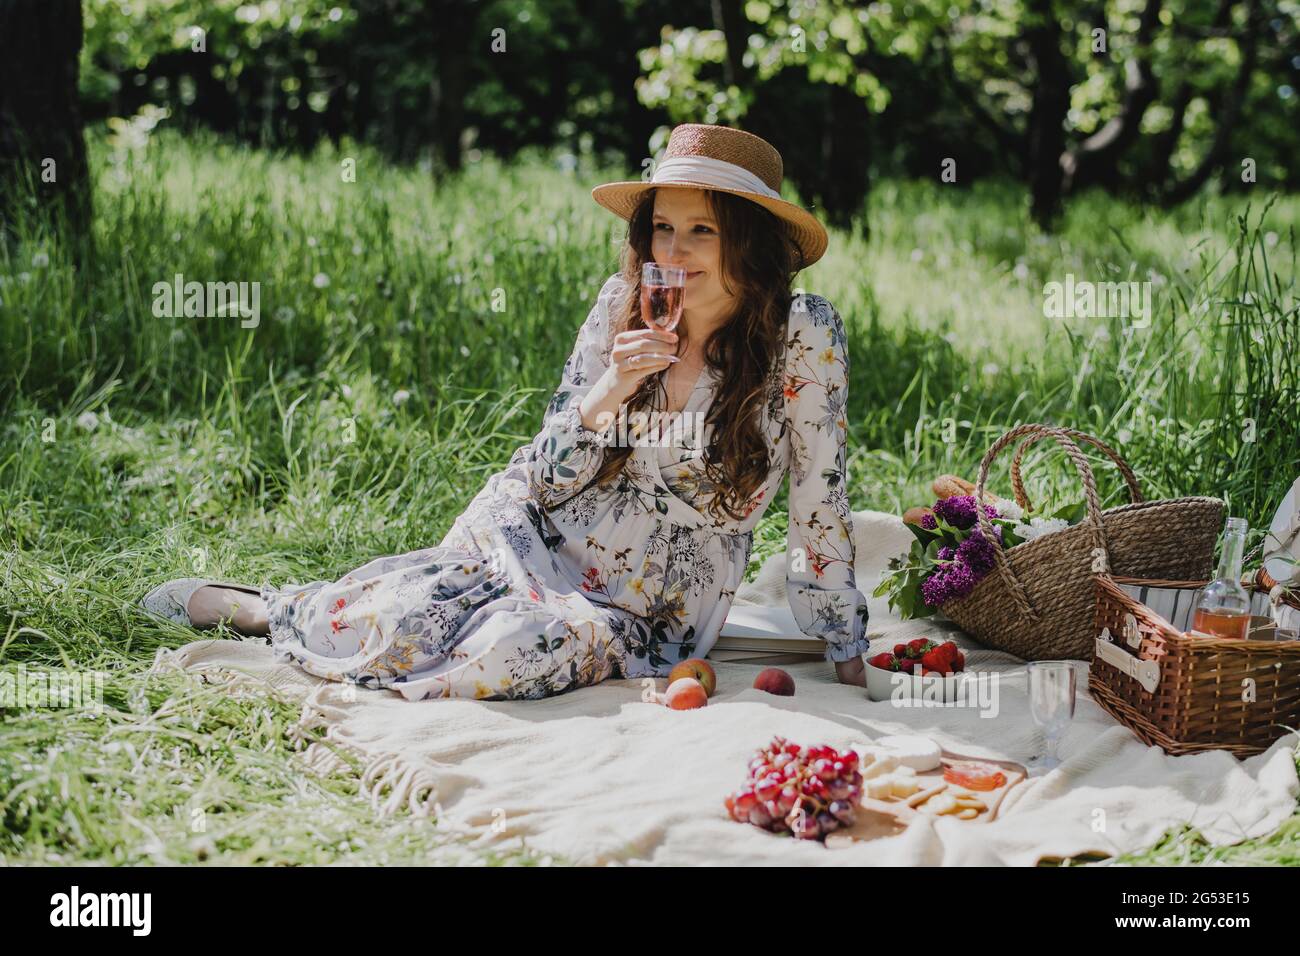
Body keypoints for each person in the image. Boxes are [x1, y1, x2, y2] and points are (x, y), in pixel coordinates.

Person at [140, 123, 870, 700]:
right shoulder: (622, 309)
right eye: (661, 228)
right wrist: (610, 389)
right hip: (539, 527)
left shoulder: (800, 335)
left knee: (513, 651)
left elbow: (820, 497)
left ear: (750, 241)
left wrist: (841, 642)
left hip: (655, 602)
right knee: (408, 617)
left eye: (702, 231)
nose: (673, 252)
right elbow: (547, 478)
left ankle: (313, 613)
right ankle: (271, 609)